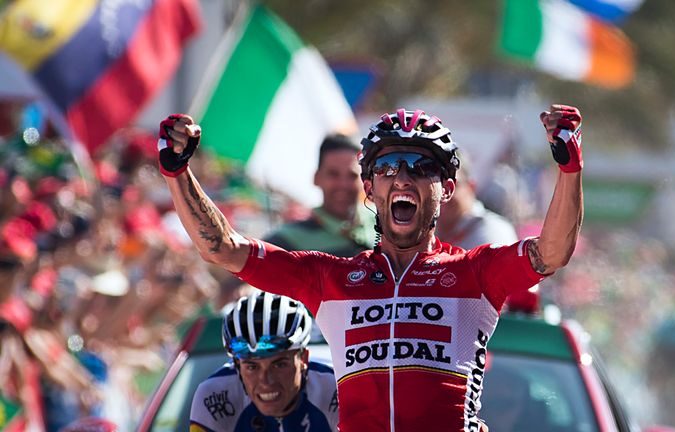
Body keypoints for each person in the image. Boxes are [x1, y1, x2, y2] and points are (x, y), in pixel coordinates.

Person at [159, 105, 584, 432]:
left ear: (447, 189)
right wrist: (178, 173)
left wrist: (568, 168)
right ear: (370, 187)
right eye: (386, 167)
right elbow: (224, 248)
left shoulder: (476, 272)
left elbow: (552, 252)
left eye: (421, 168)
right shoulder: (331, 280)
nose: (402, 178)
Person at [190, 290, 339, 431]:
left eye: (279, 365)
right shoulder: (214, 396)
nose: (266, 382)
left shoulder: (335, 389)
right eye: (252, 367)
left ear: (303, 359)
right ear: (237, 366)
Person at [264, 134, 376, 257]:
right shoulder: (286, 241)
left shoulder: (385, 221)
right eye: (333, 174)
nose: (343, 184)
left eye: (352, 175)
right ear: (316, 178)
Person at [436, 154, 518, 249]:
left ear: (471, 187)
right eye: (435, 184)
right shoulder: (427, 232)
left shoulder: (492, 232)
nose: (441, 194)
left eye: (450, 186)